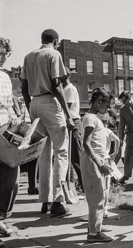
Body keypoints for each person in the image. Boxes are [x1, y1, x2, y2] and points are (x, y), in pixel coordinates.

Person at [22, 29, 74, 216]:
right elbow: (57, 84)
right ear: (56, 41)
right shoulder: (54, 54)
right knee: (61, 152)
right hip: (50, 102)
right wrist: (67, 114)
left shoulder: (29, 56)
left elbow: (24, 87)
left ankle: (46, 200)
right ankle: (58, 201)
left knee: (44, 154)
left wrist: (30, 109)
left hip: (35, 103)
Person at [81, 88, 113, 243]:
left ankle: (96, 226)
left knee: (100, 194)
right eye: (107, 106)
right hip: (92, 161)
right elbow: (86, 144)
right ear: (99, 102)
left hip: (96, 160)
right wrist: (99, 162)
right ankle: (93, 234)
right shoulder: (90, 119)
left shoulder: (94, 118)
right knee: (97, 197)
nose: (107, 109)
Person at [0, 37, 22, 248]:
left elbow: (8, 106)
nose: (2, 58)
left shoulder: (5, 77)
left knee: (11, 178)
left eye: (5, 54)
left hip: (5, 133)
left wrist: (14, 116)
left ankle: (0, 218)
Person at [62, 66, 83, 192]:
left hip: (73, 122)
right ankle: (73, 184)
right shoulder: (65, 89)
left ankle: (83, 184)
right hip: (67, 123)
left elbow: (66, 108)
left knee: (76, 156)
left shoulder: (70, 89)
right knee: (69, 158)